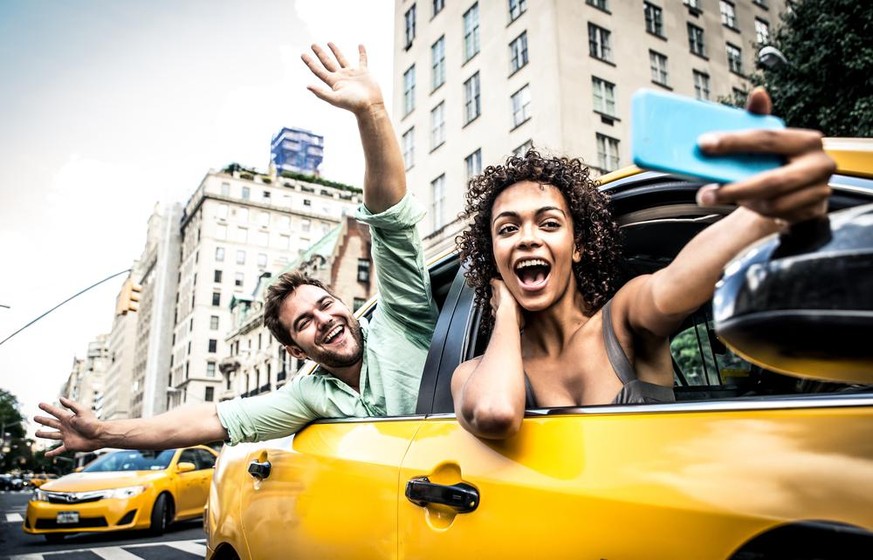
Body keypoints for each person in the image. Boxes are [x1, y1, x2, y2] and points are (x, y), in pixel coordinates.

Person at [35, 42, 438, 456]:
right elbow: (208, 420)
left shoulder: (402, 317)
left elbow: (389, 217)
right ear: (295, 351)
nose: (324, 319)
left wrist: (370, 111)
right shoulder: (309, 395)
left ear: (345, 304)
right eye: (304, 322)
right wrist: (102, 433)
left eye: (325, 304)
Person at [451, 87, 835, 440]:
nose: (528, 238)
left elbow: (673, 285)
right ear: (494, 258)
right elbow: (495, 412)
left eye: (549, 223)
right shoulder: (472, 374)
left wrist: (765, 216)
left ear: (578, 246)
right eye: (507, 229)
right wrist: (504, 312)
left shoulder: (624, 318)